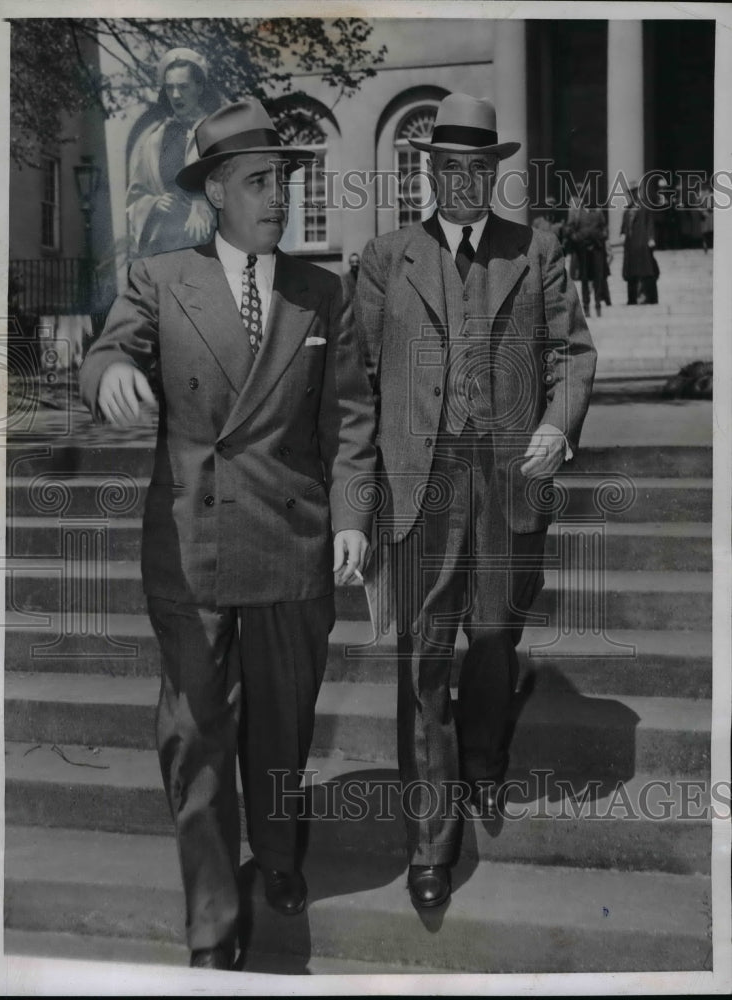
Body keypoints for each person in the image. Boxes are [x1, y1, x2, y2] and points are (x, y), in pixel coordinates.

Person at [80, 98, 376, 970]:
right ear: (216, 193)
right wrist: (110, 379)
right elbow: (108, 351)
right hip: (191, 545)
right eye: (258, 182)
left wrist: (353, 518)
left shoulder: (323, 291)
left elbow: (351, 419)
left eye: (282, 180)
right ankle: (212, 919)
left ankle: (280, 856)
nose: (277, 198)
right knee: (197, 737)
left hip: (293, 545)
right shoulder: (161, 278)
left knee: (282, 727)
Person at [354, 93, 596, 910]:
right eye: (448, 168)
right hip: (419, 483)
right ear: (430, 172)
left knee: (492, 635)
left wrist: (559, 429)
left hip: (505, 480)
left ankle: (485, 759)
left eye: (477, 170)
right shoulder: (388, 258)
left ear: (494, 174)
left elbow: (572, 355)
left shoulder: (536, 251)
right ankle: (431, 843)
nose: (462, 183)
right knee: (423, 659)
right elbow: (356, 382)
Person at [126, 47, 222, 256]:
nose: (176, 95)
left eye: (183, 87)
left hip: (206, 243)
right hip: (164, 243)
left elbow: (234, 185)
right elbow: (135, 196)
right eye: (169, 88)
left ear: (200, 87)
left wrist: (202, 203)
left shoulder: (216, 133)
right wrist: (154, 203)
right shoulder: (154, 140)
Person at [563, 193, 609, 317]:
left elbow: (604, 228)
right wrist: (576, 238)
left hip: (597, 249)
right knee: (584, 278)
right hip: (583, 251)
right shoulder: (578, 213)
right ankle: (586, 305)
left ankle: (598, 303)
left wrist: (601, 237)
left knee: (598, 278)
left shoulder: (598, 213)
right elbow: (570, 229)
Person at [621, 180, 658, 304]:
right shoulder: (627, 210)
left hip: (642, 243)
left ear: (638, 192)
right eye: (630, 192)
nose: (632, 194)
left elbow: (650, 223)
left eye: (634, 191)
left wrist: (651, 238)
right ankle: (631, 299)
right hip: (630, 245)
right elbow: (624, 227)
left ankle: (649, 298)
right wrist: (622, 234)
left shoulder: (645, 206)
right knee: (631, 273)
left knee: (646, 271)